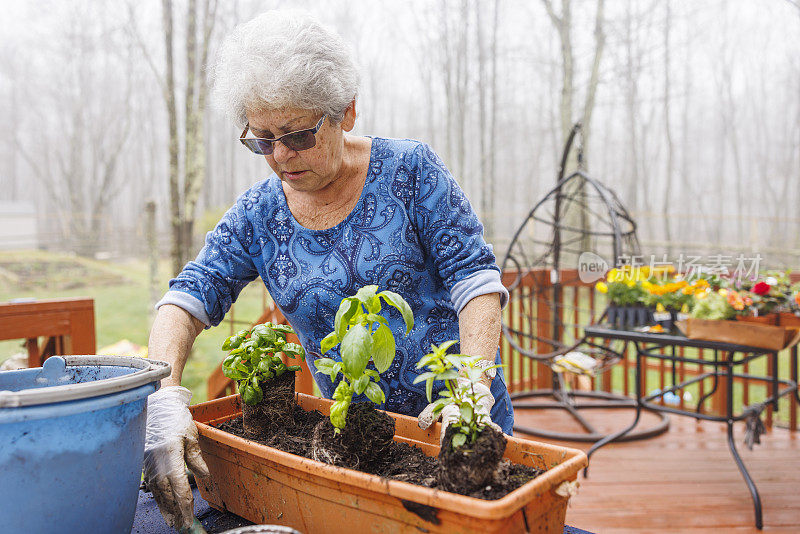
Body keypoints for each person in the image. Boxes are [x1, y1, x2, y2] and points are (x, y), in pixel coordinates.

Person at [143, 9, 513, 531]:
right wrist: (164, 400)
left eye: (297, 135)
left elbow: (476, 281)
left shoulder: (409, 172)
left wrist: (472, 386)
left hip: (455, 433)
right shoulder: (259, 215)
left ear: (347, 112)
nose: (280, 155)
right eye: (261, 139)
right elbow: (185, 298)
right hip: (355, 447)